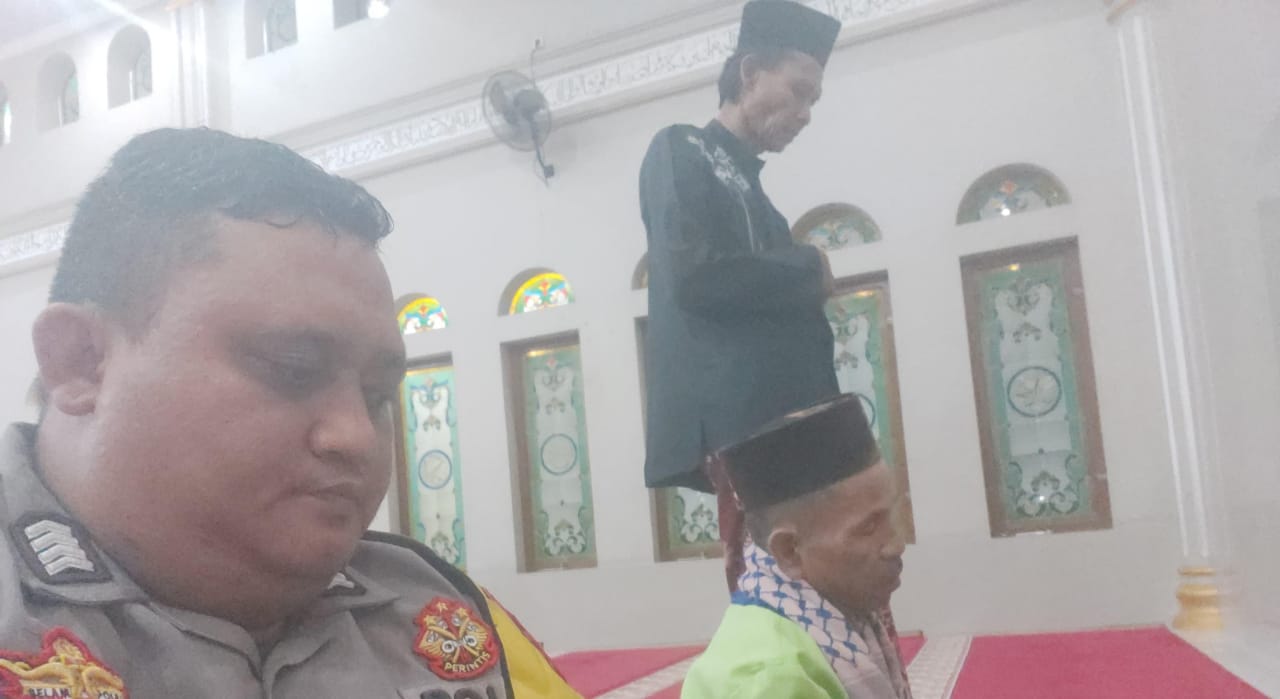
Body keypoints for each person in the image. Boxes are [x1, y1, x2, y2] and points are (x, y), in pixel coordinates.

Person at [0, 128, 577, 698]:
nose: (355, 436)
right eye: (293, 369)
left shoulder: (443, 616)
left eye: (378, 394)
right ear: (82, 361)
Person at [638, 0, 842, 584]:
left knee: (819, 583)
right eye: (798, 91)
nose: (805, 114)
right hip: (745, 429)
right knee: (777, 587)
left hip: (786, 427)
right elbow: (695, 277)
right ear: (750, 72)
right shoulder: (681, 149)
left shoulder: (760, 200)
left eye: (813, 101)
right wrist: (808, 268)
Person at [681, 394, 911, 698]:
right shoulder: (769, 680)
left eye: (892, 514)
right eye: (868, 528)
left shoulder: (841, 618)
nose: (896, 545)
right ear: (789, 551)